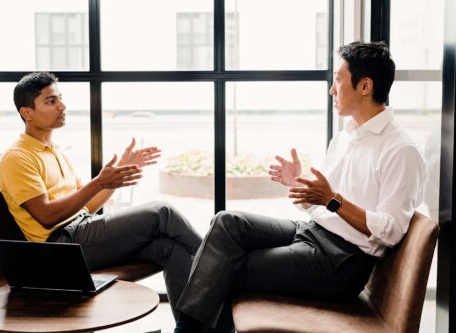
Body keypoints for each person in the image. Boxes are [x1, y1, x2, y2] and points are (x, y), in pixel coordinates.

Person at [173, 41, 427, 333]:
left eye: (338, 80)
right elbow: (322, 201)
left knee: (224, 264)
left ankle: (184, 331)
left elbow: (391, 230)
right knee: (227, 222)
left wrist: (333, 200)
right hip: (312, 233)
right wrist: (299, 185)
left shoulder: (401, 150)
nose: (332, 90)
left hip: (341, 261)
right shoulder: (347, 137)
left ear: (365, 86)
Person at [0, 72, 202, 320]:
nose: (62, 106)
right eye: (51, 101)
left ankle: (191, 328)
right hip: (60, 248)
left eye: (60, 98)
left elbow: (89, 206)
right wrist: (98, 182)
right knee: (162, 213)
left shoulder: (54, 153)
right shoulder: (18, 157)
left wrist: (117, 176)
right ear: (26, 113)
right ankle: (220, 267)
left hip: (82, 232)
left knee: (168, 248)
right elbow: (46, 216)